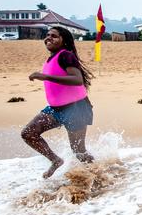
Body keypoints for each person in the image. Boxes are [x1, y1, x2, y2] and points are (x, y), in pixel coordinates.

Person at [22, 26, 95, 179]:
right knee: (28, 133)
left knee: (79, 152)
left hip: (76, 108)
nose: (49, 38)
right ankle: (55, 160)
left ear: (64, 40)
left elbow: (77, 80)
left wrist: (46, 77)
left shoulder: (66, 55)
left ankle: (98, 173)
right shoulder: (52, 58)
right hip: (56, 109)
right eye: (47, 35)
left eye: (54, 36)